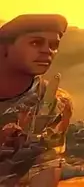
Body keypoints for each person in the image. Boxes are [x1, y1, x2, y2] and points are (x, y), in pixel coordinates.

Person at [0, 14, 74, 186]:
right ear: (4, 48)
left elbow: (47, 163)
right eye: (35, 43)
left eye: (54, 45)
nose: (47, 51)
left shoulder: (55, 103)